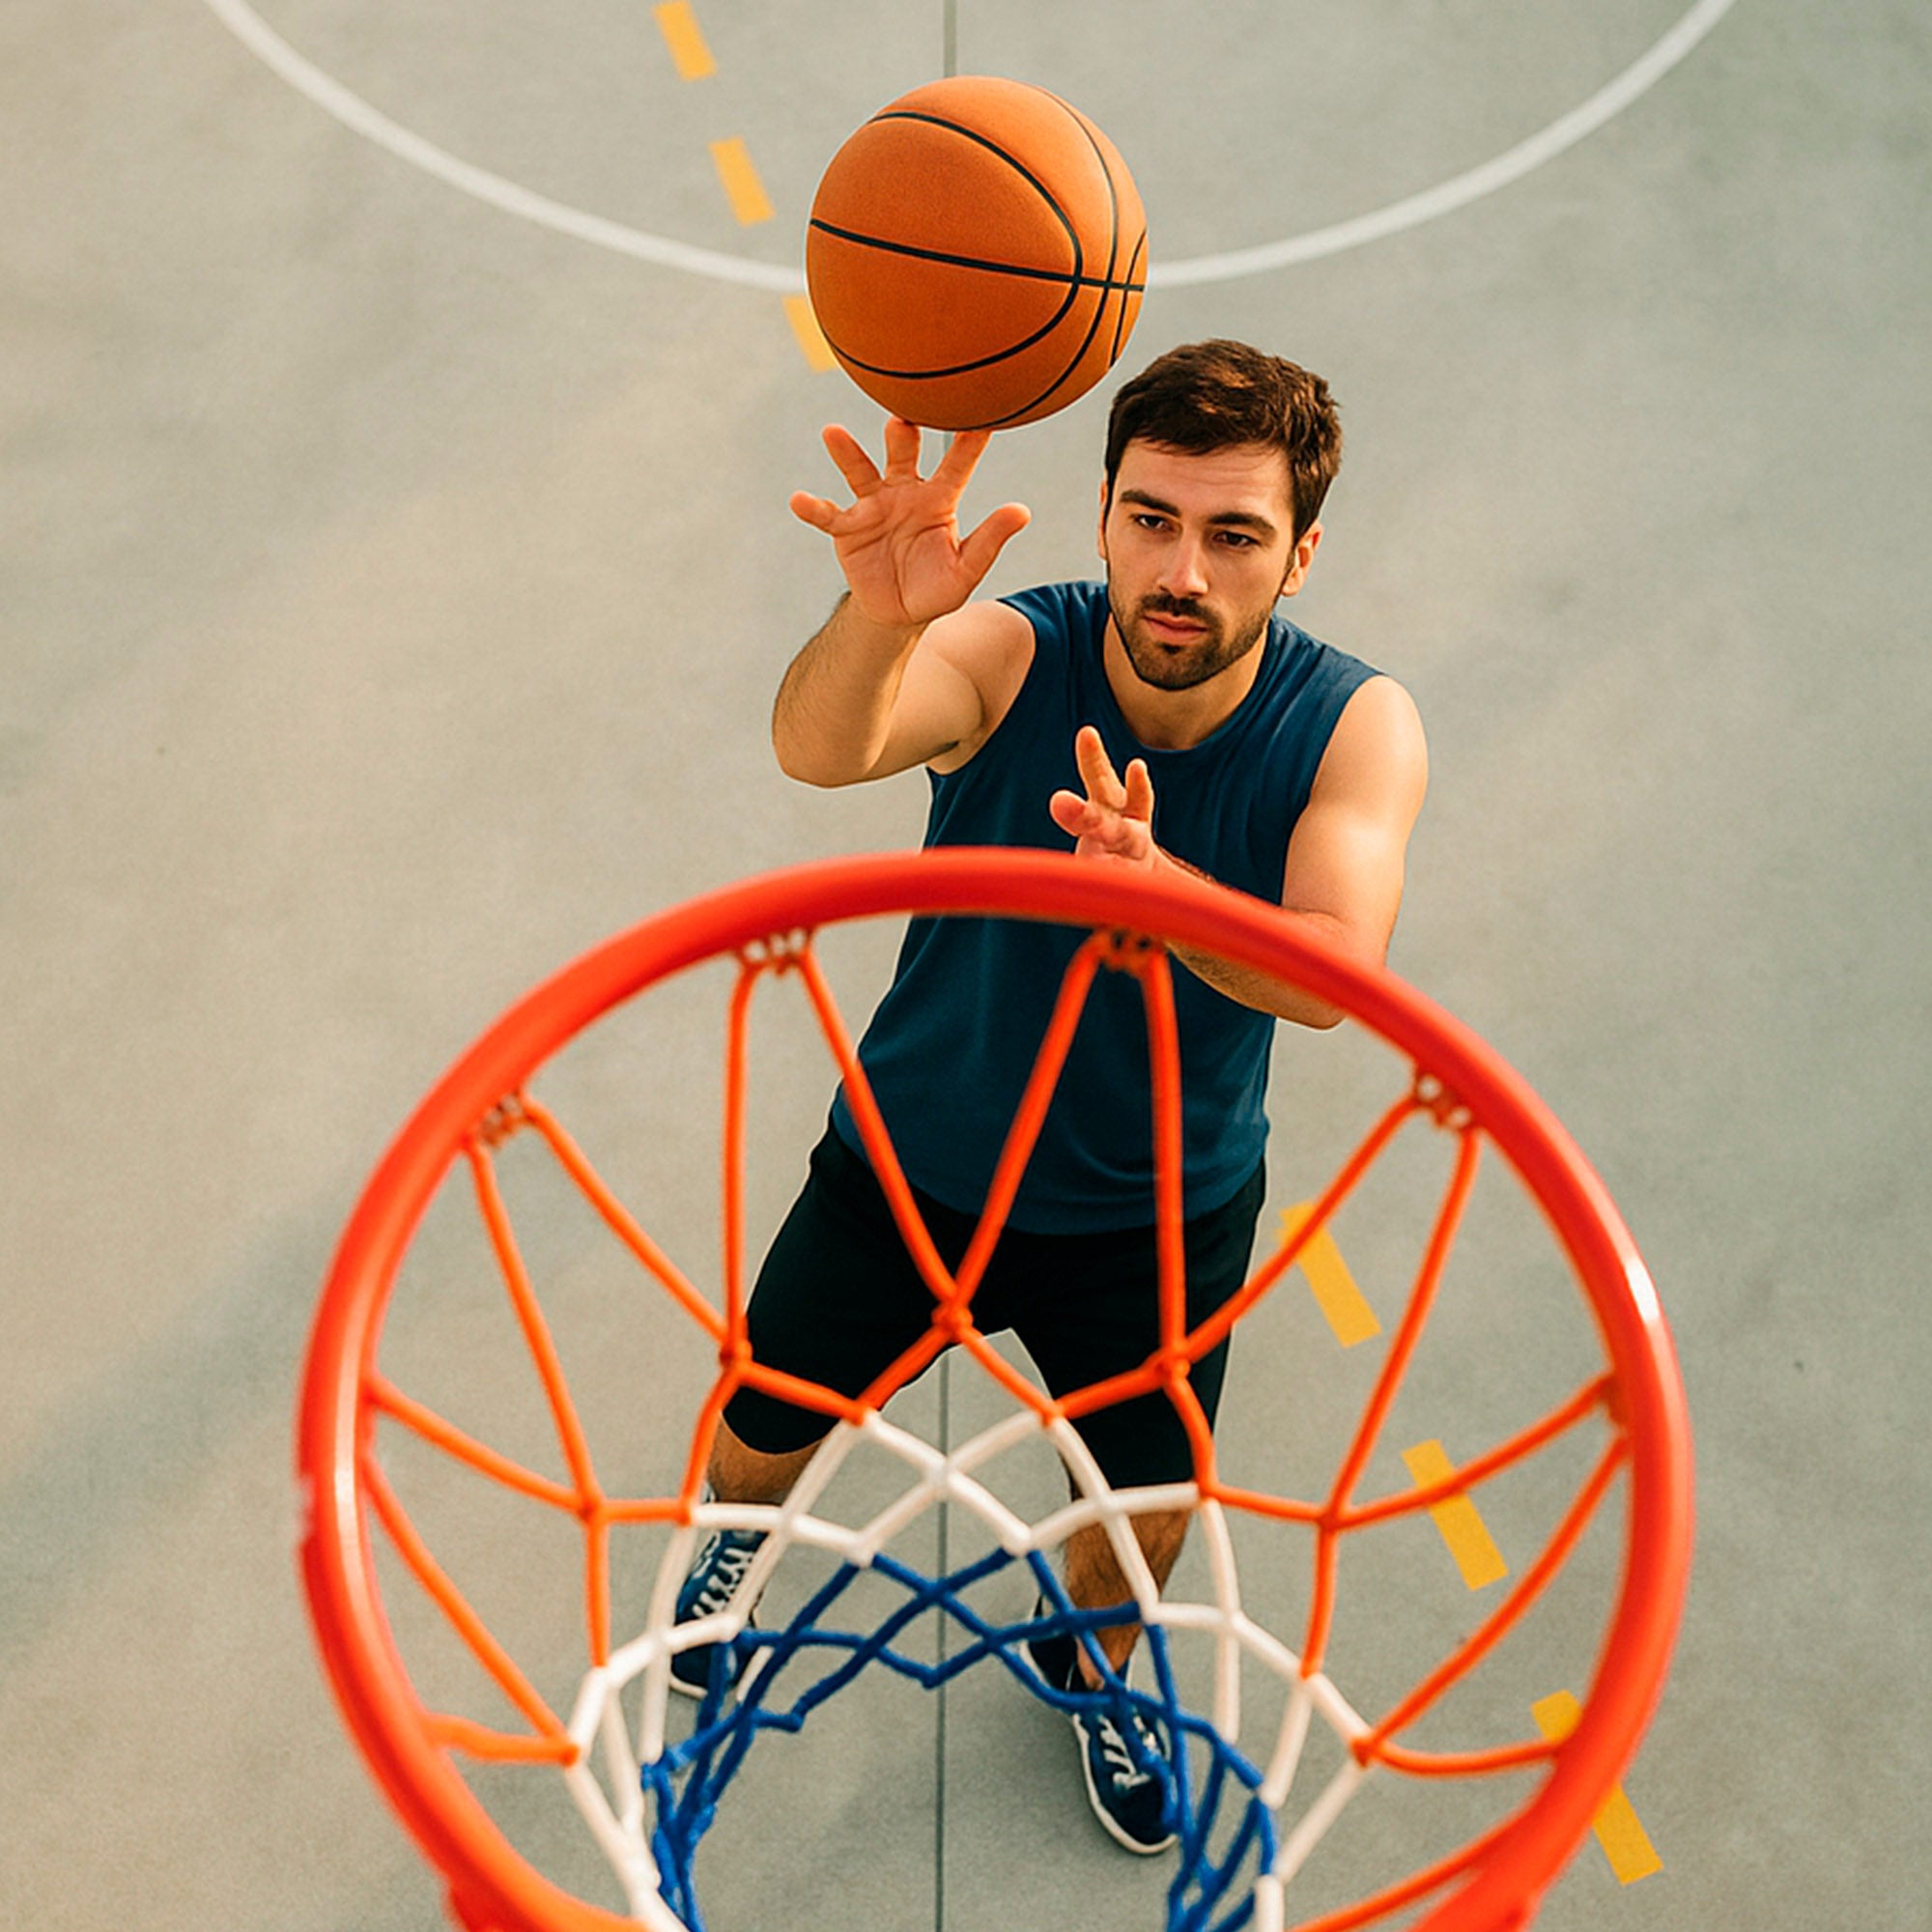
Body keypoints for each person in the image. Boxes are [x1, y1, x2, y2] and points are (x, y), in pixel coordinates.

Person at [670, 340, 1428, 1855]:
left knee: (1140, 1517)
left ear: (1302, 556)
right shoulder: (1021, 653)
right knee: (767, 1411)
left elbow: (1341, 975)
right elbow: (822, 750)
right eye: (1152, 519)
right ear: (1101, 514)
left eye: (1233, 536)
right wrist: (876, 627)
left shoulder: (1354, 723)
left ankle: (1091, 1667)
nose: (1181, 571)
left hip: (1158, 1210)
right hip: (913, 1158)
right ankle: (734, 1556)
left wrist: (1175, 903)